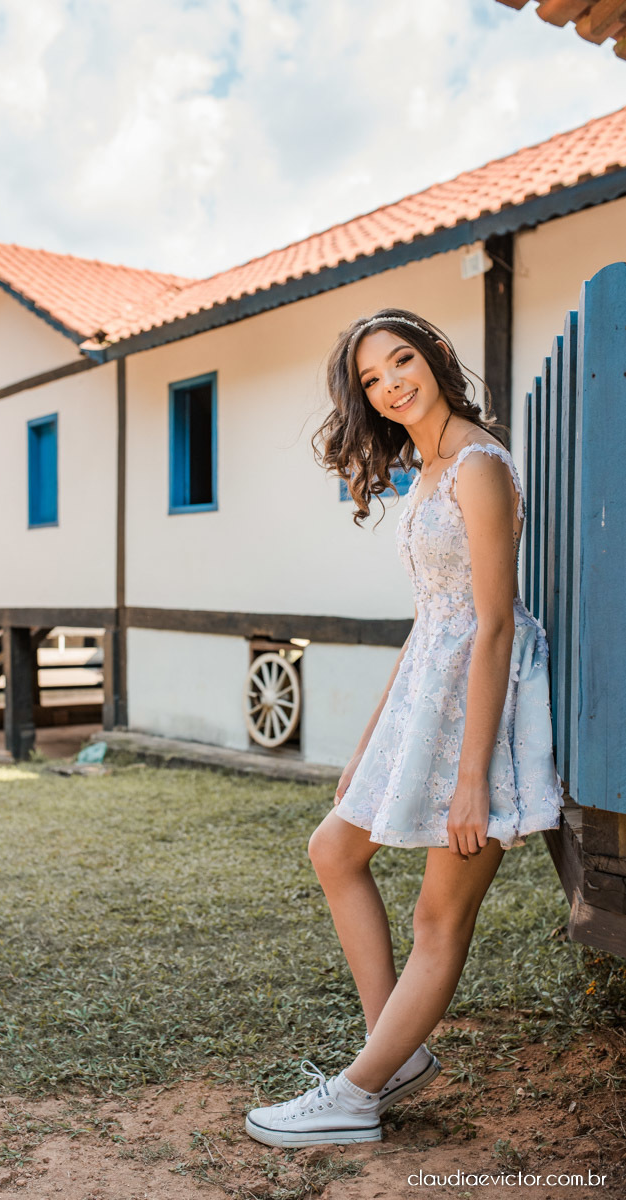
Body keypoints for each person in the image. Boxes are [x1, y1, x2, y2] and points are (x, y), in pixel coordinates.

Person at [245, 307, 563, 1149]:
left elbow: (493, 624)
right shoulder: (424, 470)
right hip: (428, 693)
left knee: (438, 917)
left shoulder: (478, 465)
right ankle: (396, 1049)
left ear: (433, 359)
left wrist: (471, 776)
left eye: (401, 361)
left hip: (480, 709)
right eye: (370, 378)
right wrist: (365, 746)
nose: (389, 383)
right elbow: (433, 620)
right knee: (333, 848)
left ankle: (355, 1095)